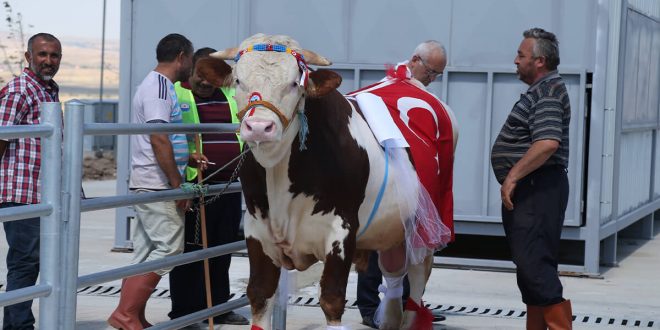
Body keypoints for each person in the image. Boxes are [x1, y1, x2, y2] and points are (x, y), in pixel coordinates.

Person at [354, 40, 456, 328]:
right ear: (415, 60)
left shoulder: (418, 97)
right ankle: (370, 305)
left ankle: (408, 300)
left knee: (411, 241)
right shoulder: (384, 90)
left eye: (438, 74)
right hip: (383, 180)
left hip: (408, 178)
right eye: (431, 72)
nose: (433, 79)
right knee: (378, 241)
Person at [108, 33, 193, 330]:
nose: (191, 67)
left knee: (146, 253)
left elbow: (162, 136)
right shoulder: (159, 88)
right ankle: (125, 314)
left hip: (151, 180)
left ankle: (131, 314)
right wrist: (176, 184)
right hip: (157, 184)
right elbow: (158, 137)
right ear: (181, 56)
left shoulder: (157, 85)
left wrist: (187, 160)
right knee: (169, 249)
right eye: (191, 60)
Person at [490, 28, 572, 329]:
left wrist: (512, 177)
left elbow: (548, 142)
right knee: (529, 269)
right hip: (534, 191)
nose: (515, 60)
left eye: (521, 55)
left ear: (539, 61)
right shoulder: (542, 90)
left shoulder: (548, 92)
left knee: (535, 267)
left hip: (538, 191)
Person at [168, 48, 248, 325]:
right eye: (199, 75)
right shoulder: (177, 93)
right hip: (195, 185)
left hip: (227, 186)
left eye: (210, 77)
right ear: (191, 71)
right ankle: (184, 312)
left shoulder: (229, 94)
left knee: (221, 249)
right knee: (190, 250)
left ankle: (218, 307)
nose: (204, 82)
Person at [0, 32, 62, 330]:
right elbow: (1, 136)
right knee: (24, 262)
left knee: (37, 262)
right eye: (42, 55)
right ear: (29, 57)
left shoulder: (48, 89)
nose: (49, 61)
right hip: (20, 191)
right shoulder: (19, 90)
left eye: (54, 56)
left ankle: (17, 323)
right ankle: (18, 326)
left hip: (42, 192)